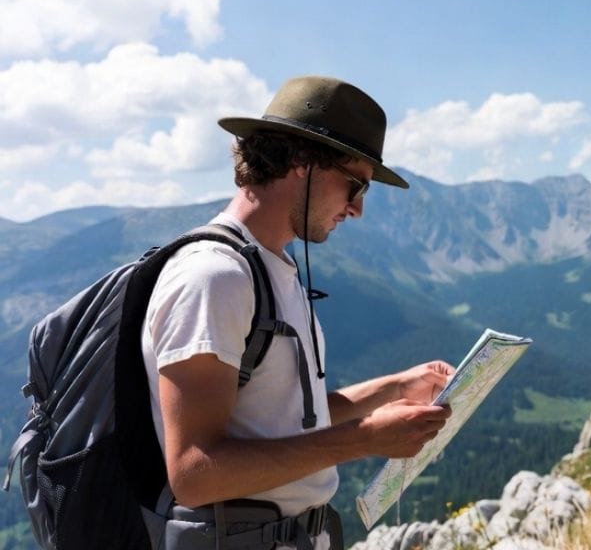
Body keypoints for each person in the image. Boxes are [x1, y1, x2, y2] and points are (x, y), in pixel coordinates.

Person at [142, 76, 454, 549]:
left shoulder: (274, 268)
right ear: (302, 162)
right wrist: (366, 439)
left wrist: (392, 388)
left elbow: (286, 423)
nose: (357, 210)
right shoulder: (213, 277)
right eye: (355, 186)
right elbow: (194, 472)